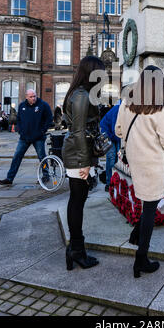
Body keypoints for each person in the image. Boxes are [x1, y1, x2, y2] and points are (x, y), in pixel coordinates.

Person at [115, 66, 164, 278]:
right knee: (150, 209)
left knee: (147, 203)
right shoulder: (159, 109)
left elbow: (118, 131)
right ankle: (141, 259)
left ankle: (135, 236)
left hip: (135, 163)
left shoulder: (126, 103)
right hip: (153, 164)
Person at [62, 55, 105, 271]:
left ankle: (76, 249)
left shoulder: (81, 93)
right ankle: (76, 250)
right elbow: (79, 131)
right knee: (77, 200)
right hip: (79, 155)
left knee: (77, 199)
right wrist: (85, 162)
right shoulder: (81, 96)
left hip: (80, 153)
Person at [0, 90, 53, 186]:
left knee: (42, 157)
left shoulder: (43, 105)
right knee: (17, 157)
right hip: (24, 137)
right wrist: (20, 130)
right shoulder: (22, 106)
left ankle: (46, 176)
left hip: (38, 137)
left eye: (34, 96)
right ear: (26, 97)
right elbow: (19, 119)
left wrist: (42, 131)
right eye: (31, 96)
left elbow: (49, 119)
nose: (33, 98)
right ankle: (9, 178)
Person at [100, 99, 121, 192]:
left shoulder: (124, 111)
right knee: (111, 157)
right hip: (107, 133)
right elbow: (114, 129)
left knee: (117, 157)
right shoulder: (117, 110)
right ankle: (109, 183)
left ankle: (116, 180)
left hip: (114, 134)